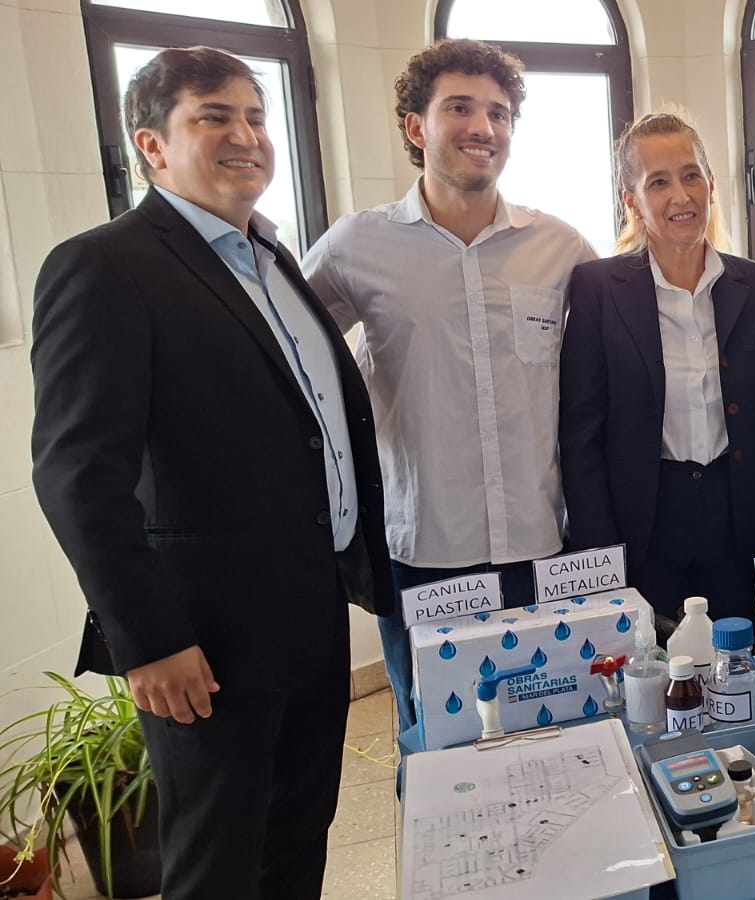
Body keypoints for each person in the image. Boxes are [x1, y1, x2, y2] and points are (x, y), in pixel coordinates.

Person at [29, 47, 392, 899]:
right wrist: (150, 640)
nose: (246, 137)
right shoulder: (107, 266)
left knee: (299, 834)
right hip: (206, 644)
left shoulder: (270, 260)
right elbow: (77, 474)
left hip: (307, 610)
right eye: (214, 117)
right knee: (217, 861)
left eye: (255, 117)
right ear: (151, 146)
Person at [302, 39, 595, 741]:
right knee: (438, 741)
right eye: (459, 107)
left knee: (554, 728)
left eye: (498, 113)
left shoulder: (560, 248)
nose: (482, 128)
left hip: (541, 543)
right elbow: (286, 356)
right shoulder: (354, 248)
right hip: (425, 552)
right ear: (415, 126)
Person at [560, 112, 755, 625]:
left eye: (691, 176)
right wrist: (600, 557)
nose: (681, 196)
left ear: (711, 185)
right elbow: (581, 434)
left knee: (740, 669)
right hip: (644, 521)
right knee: (654, 677)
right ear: (632, 201)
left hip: (738, 517)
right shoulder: (598, 289)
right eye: (658, 182)